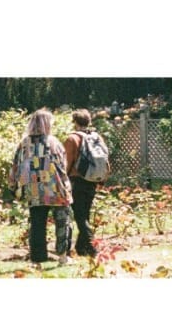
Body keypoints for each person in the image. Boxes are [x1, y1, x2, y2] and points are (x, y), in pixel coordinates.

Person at [10, 109, 74, 264]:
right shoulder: (54, 142)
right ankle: (63, 256)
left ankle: (38, 258)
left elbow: (16, 165)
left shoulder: (24, 143)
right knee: (62, 221)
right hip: (56, 188)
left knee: (37, 224)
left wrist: (15, 186)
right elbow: (62, 165)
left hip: (34, 189)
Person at [62, 109, 107, 257]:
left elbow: (67, 163)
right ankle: (81, 249)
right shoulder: (96, 137)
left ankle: (92, 247)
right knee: (85, 214)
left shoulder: (72, 139)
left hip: (77, 180)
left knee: (80, 216)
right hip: (93, 179)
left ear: (75, 122)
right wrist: (102, 178)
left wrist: (63, 179)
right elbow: (104, 158)